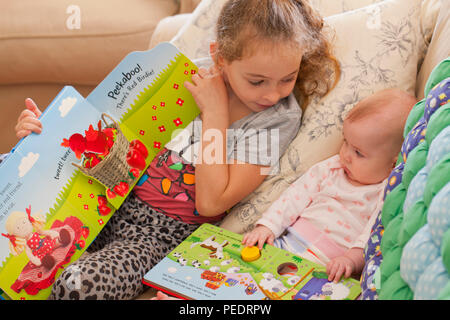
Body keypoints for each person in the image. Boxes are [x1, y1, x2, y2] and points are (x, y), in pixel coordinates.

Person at [8, 0, 339, 299]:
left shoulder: (276, 119)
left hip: (157, 238)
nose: (272, 94)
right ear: (220, 58)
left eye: (287, 78)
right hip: (103, 201)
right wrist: (42, 132)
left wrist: (216, 114)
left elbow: (211, 202)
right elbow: (102, 136)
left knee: (78, 284)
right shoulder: (184, 74)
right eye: (257, 81)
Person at [242, 88, 417, 283]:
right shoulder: (331, 168)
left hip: (329, 270)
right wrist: (268, 227)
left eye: (358, 152)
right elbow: (294, 197)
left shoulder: (386, 192)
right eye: (345, 142)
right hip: (285, 247)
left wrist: (351, 260)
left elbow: (373, 233)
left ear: (393, 164)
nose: (346, 155)